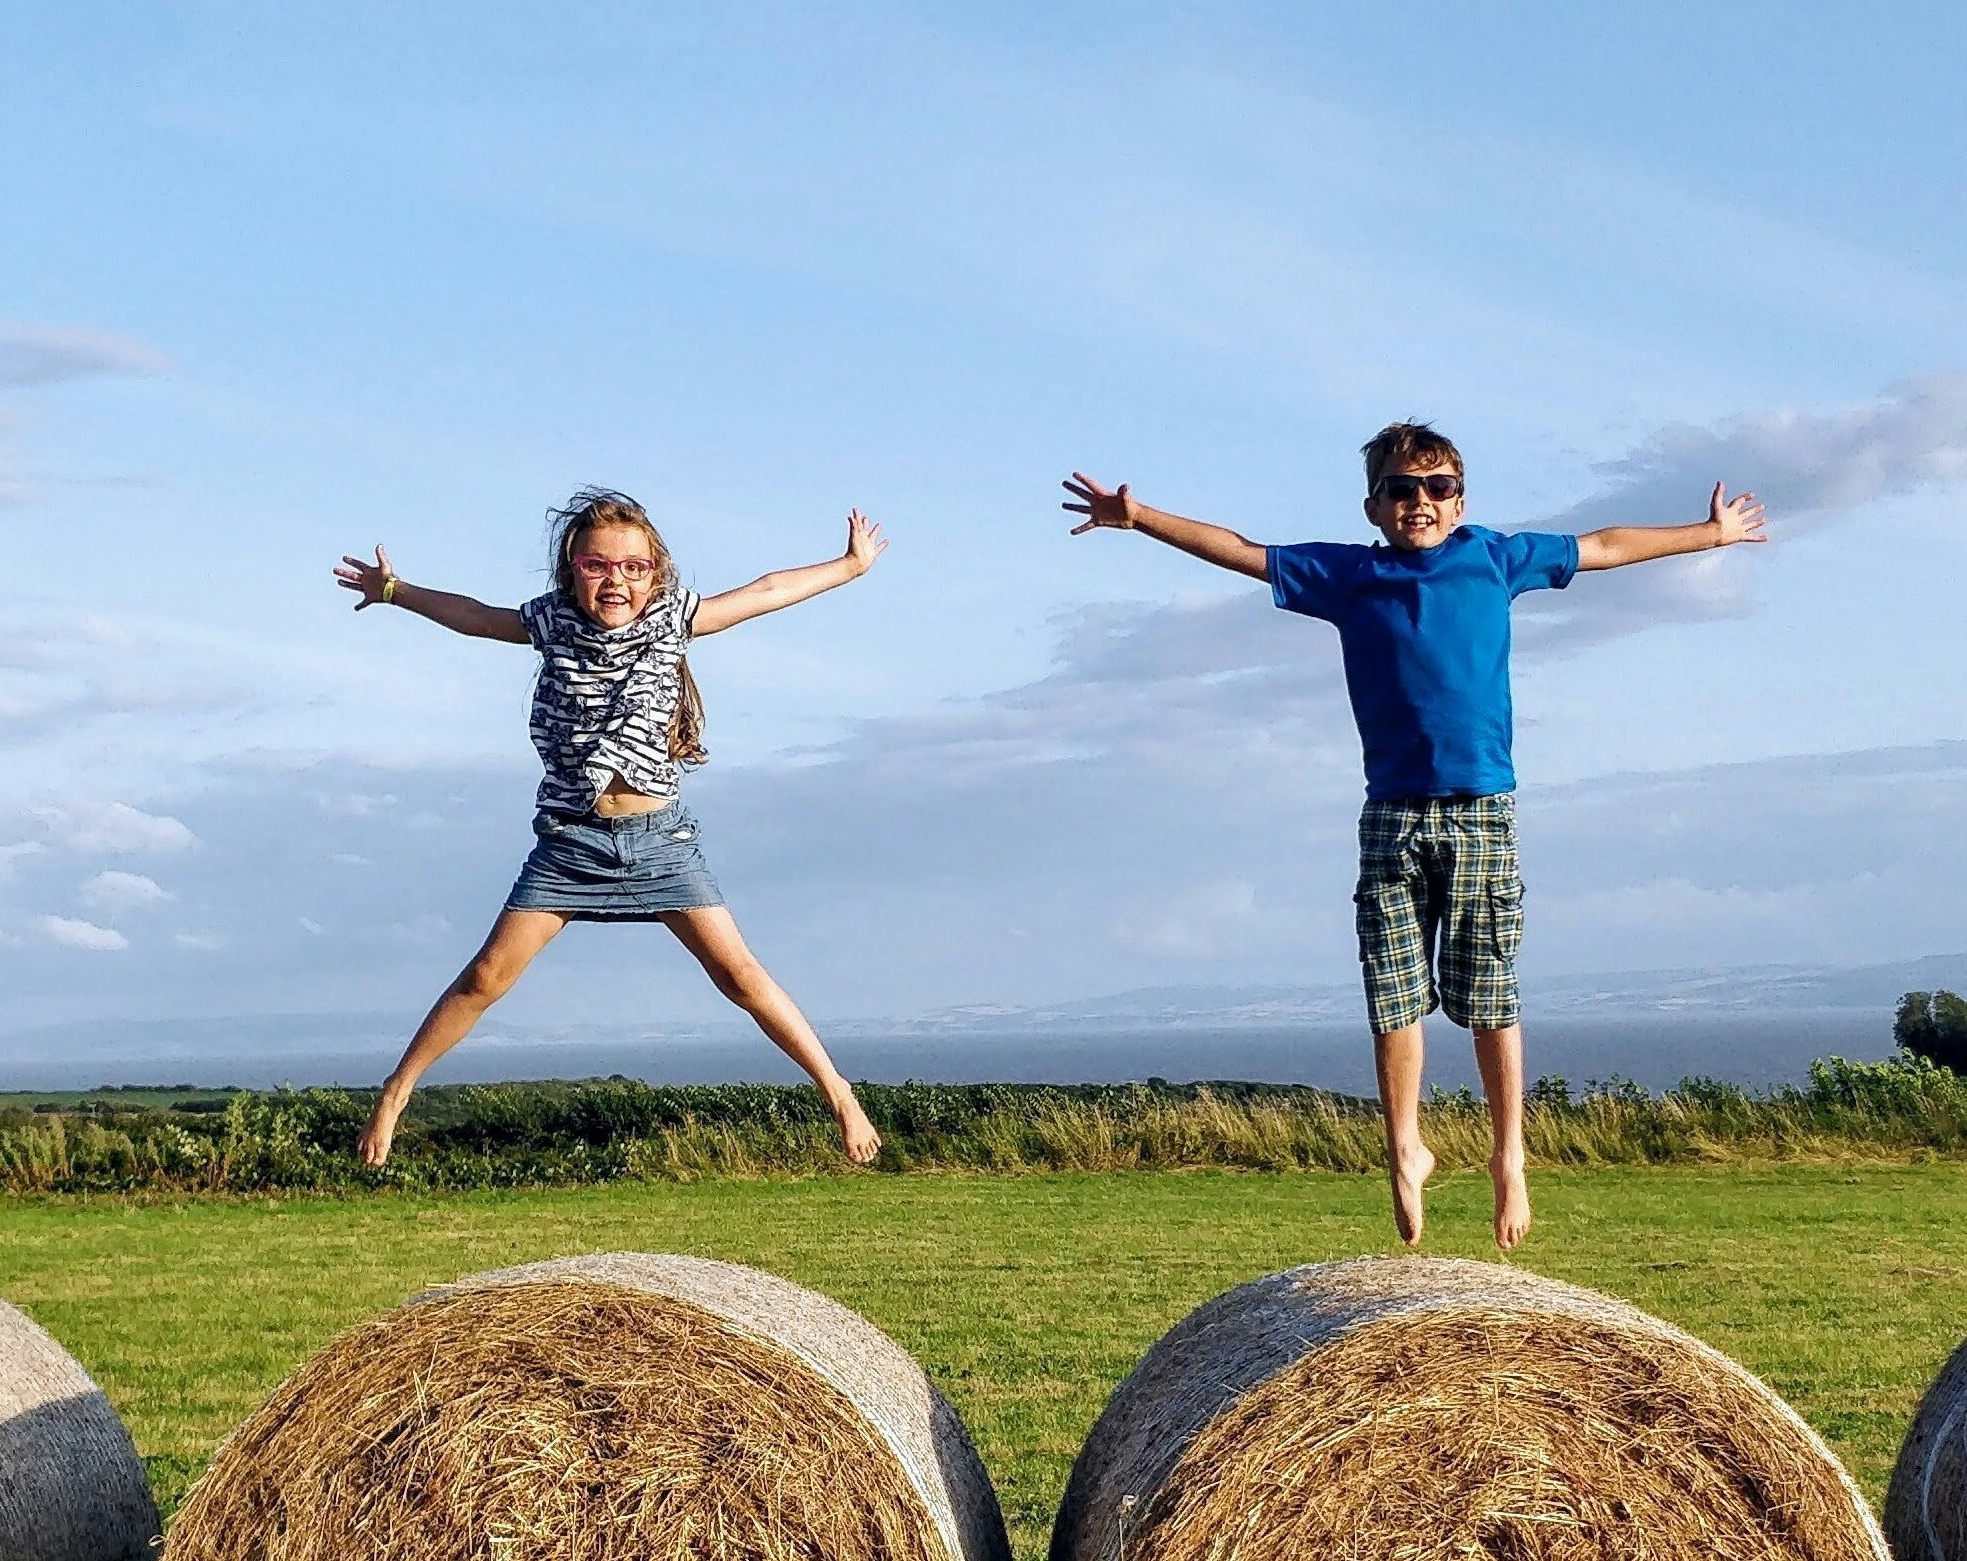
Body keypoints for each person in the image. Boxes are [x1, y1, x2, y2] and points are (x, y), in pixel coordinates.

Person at [1059, 422, 1766, 1252]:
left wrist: (1710, 534)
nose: (1419, 502)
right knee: (1393, 995)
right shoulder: (1352, 575)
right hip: (1391, 815)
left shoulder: (1495, 558)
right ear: (1375, 505)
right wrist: (1139, 518)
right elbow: (1240, 549)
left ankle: (1510, 1156)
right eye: (1402, 488)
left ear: (1459, 500)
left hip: (1480, 810)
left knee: (1488, 998)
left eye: (1435, 487)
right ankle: (1406, 1148)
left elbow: (1606, 543)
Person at [337, 487, 888, 1170]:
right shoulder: (551, 623)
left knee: (741, 976)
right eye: (598, 565)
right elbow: (475, 617)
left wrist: (850, 566)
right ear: (572, 569)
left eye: (632, 567)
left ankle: (838, 1093)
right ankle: (396, 1092)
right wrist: (395, 590)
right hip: (571, 842)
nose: (616, 580)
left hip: (660, 841)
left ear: (655, 572)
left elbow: (767, 590)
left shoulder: (673, 620)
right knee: (485, 977)